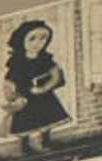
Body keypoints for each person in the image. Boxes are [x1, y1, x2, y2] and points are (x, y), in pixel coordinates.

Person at [5, 18, 70, 149]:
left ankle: (46, 141)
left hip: (44, 95)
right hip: (25, 96)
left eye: (43, 39)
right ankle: (25, 146)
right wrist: (13, 95)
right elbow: (9, 80)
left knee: (47, 116)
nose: (38, 43)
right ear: (21, 40)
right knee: (25, 120)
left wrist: (44, 87)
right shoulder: (17, 62)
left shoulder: (45, 59)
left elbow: (56, 75)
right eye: (32, 39)